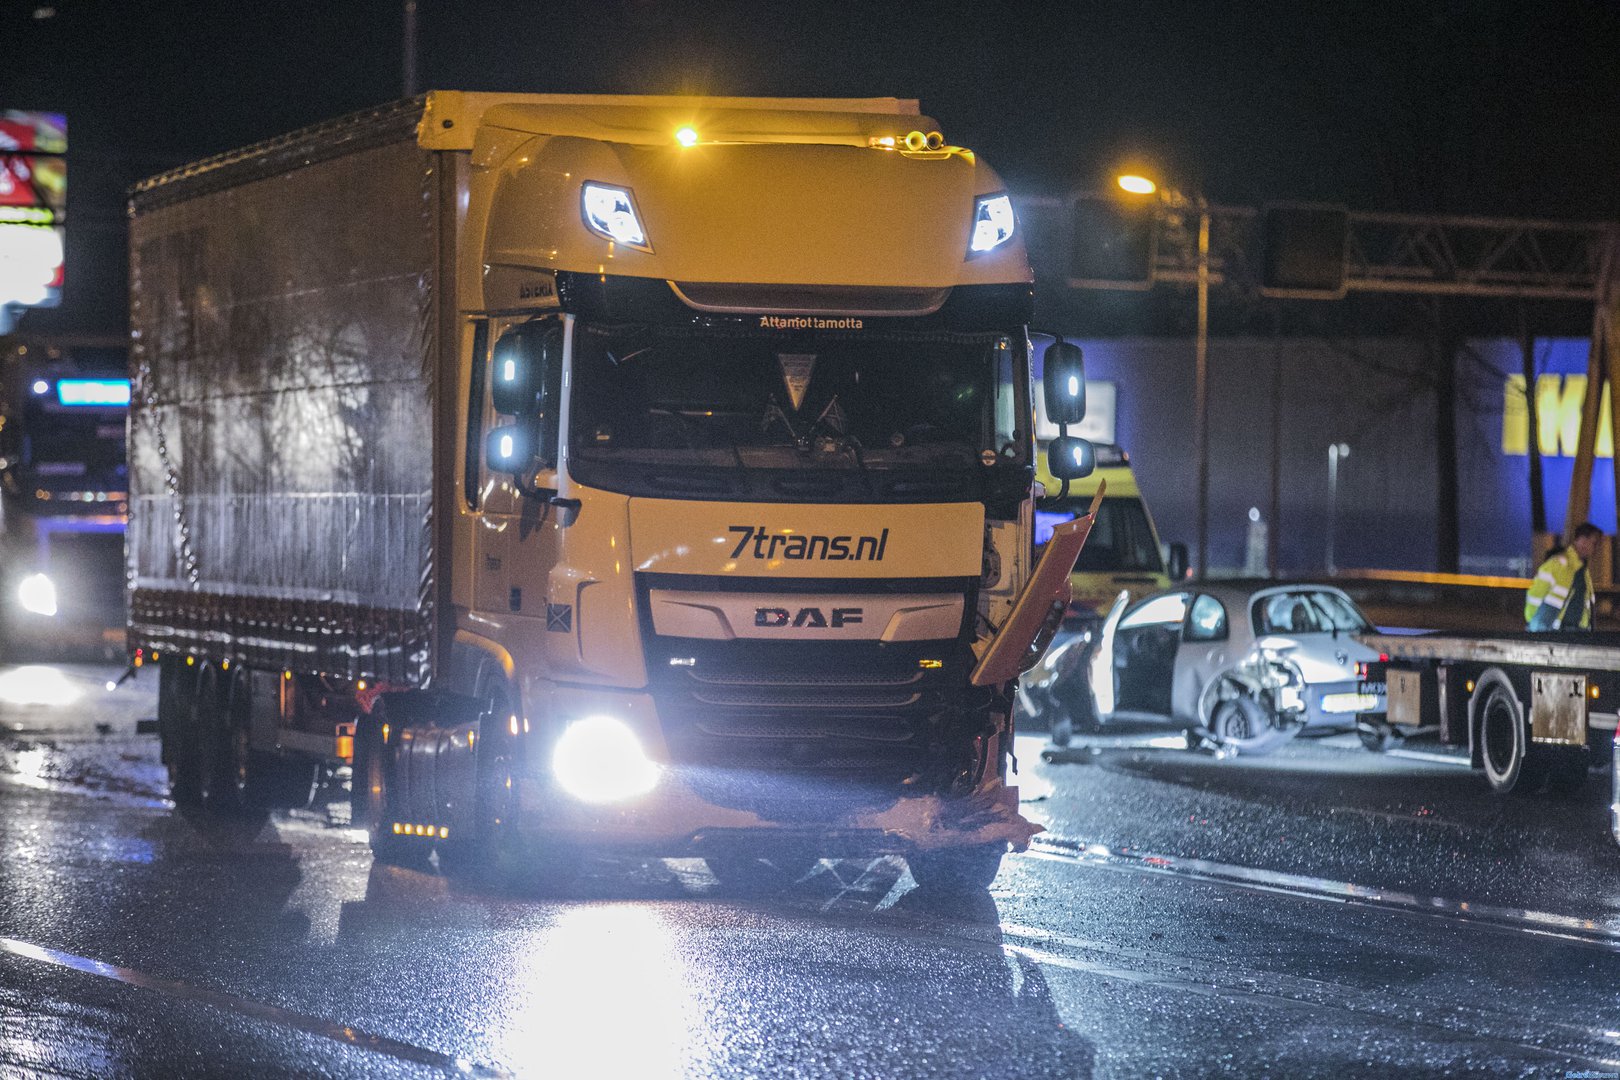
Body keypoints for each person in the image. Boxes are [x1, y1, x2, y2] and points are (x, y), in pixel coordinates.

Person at [1525, 523, 1603, 631]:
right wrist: (1536, 625)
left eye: (1595, 544)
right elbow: (1535, 595)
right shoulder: (1558, 564)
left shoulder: (1583, 570)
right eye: (1593, 543)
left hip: (1575, 631)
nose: (1594, 548)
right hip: (1554, 630)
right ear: (1580, 540)